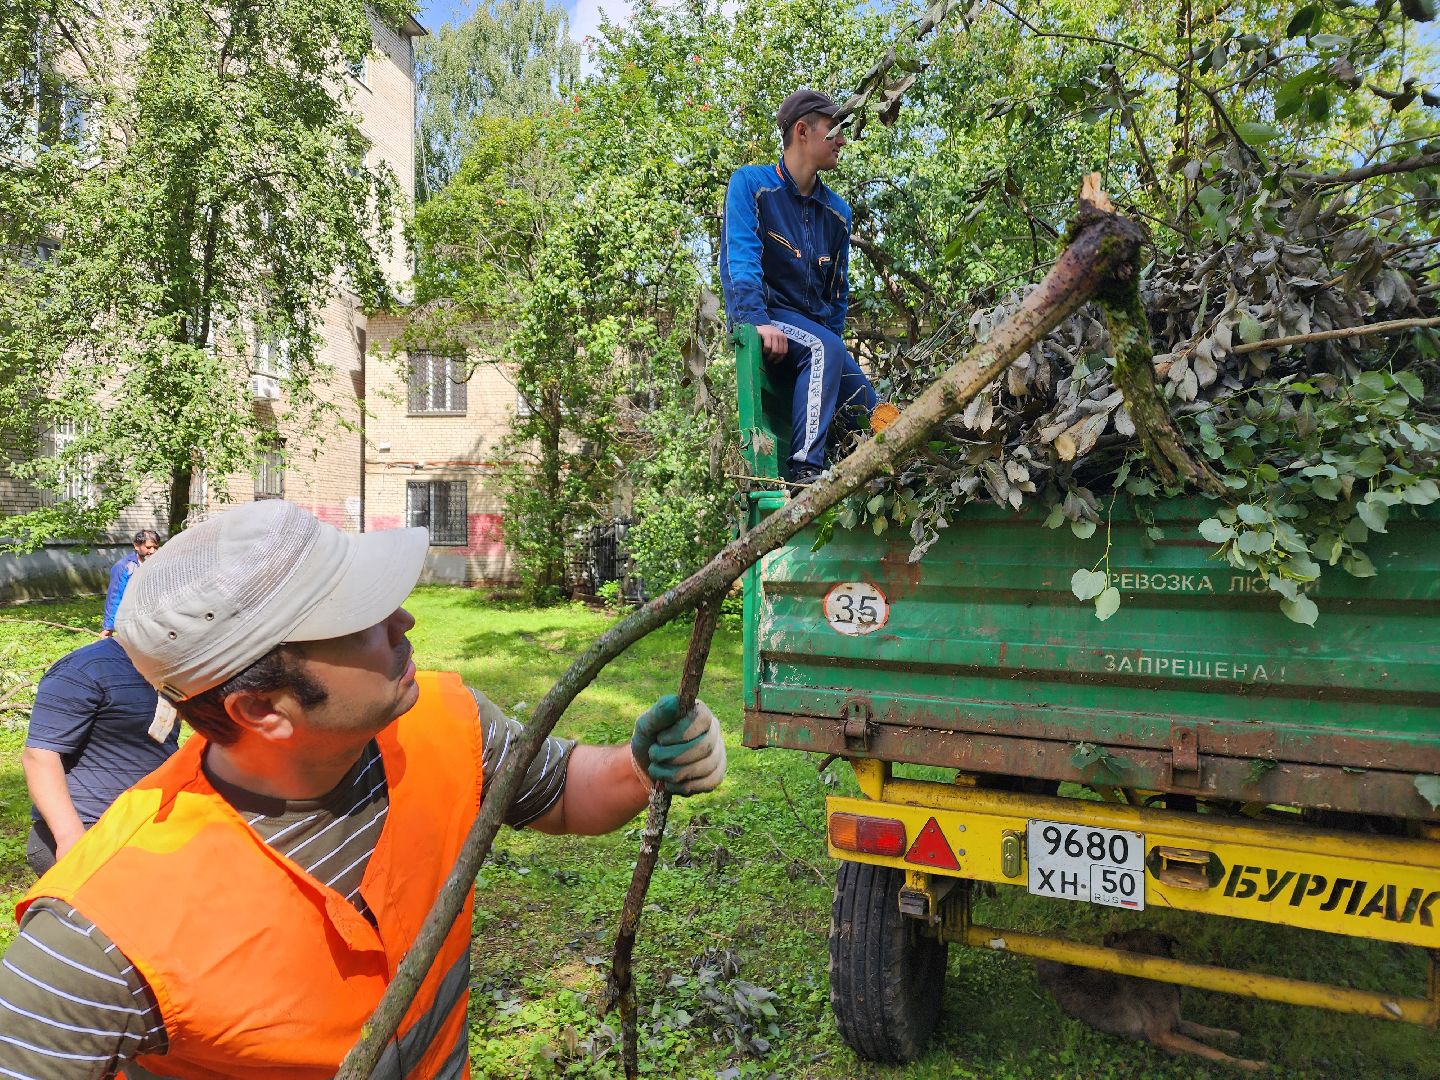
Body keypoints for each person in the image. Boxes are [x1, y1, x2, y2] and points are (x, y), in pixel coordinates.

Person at [0, 499, 726, 1077]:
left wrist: (641, 768)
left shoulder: (447, 722)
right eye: (361, 619)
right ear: (261, 709)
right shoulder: (98, 934)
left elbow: (562, 789)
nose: (404, 619)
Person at [720, 87, 879, 486]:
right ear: (803, 132)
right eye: (834, 130)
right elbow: (740, 260)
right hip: (770, 317)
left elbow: (838, 295)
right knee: (824, 347)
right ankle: (805, 472)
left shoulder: (838, 214)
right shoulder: (751, 185)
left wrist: (831, 354)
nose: (842, 140)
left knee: (877, 414)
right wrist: (756, 321)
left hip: (817, 336)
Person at [21, 634, 179, 875]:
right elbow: (39, 757)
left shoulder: (168, 668)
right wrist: (71, 838)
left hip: (145, 828)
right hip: (91, 832)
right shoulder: (85, 670)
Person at [101, 528, 160, 636]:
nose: (152, 551)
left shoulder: (158, 565)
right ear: (136, 546)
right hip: (131, 621)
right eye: (148, 547)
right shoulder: (124, 567)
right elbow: (114, 597)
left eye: (156, 547)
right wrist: (108, 627)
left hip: (153, 620)